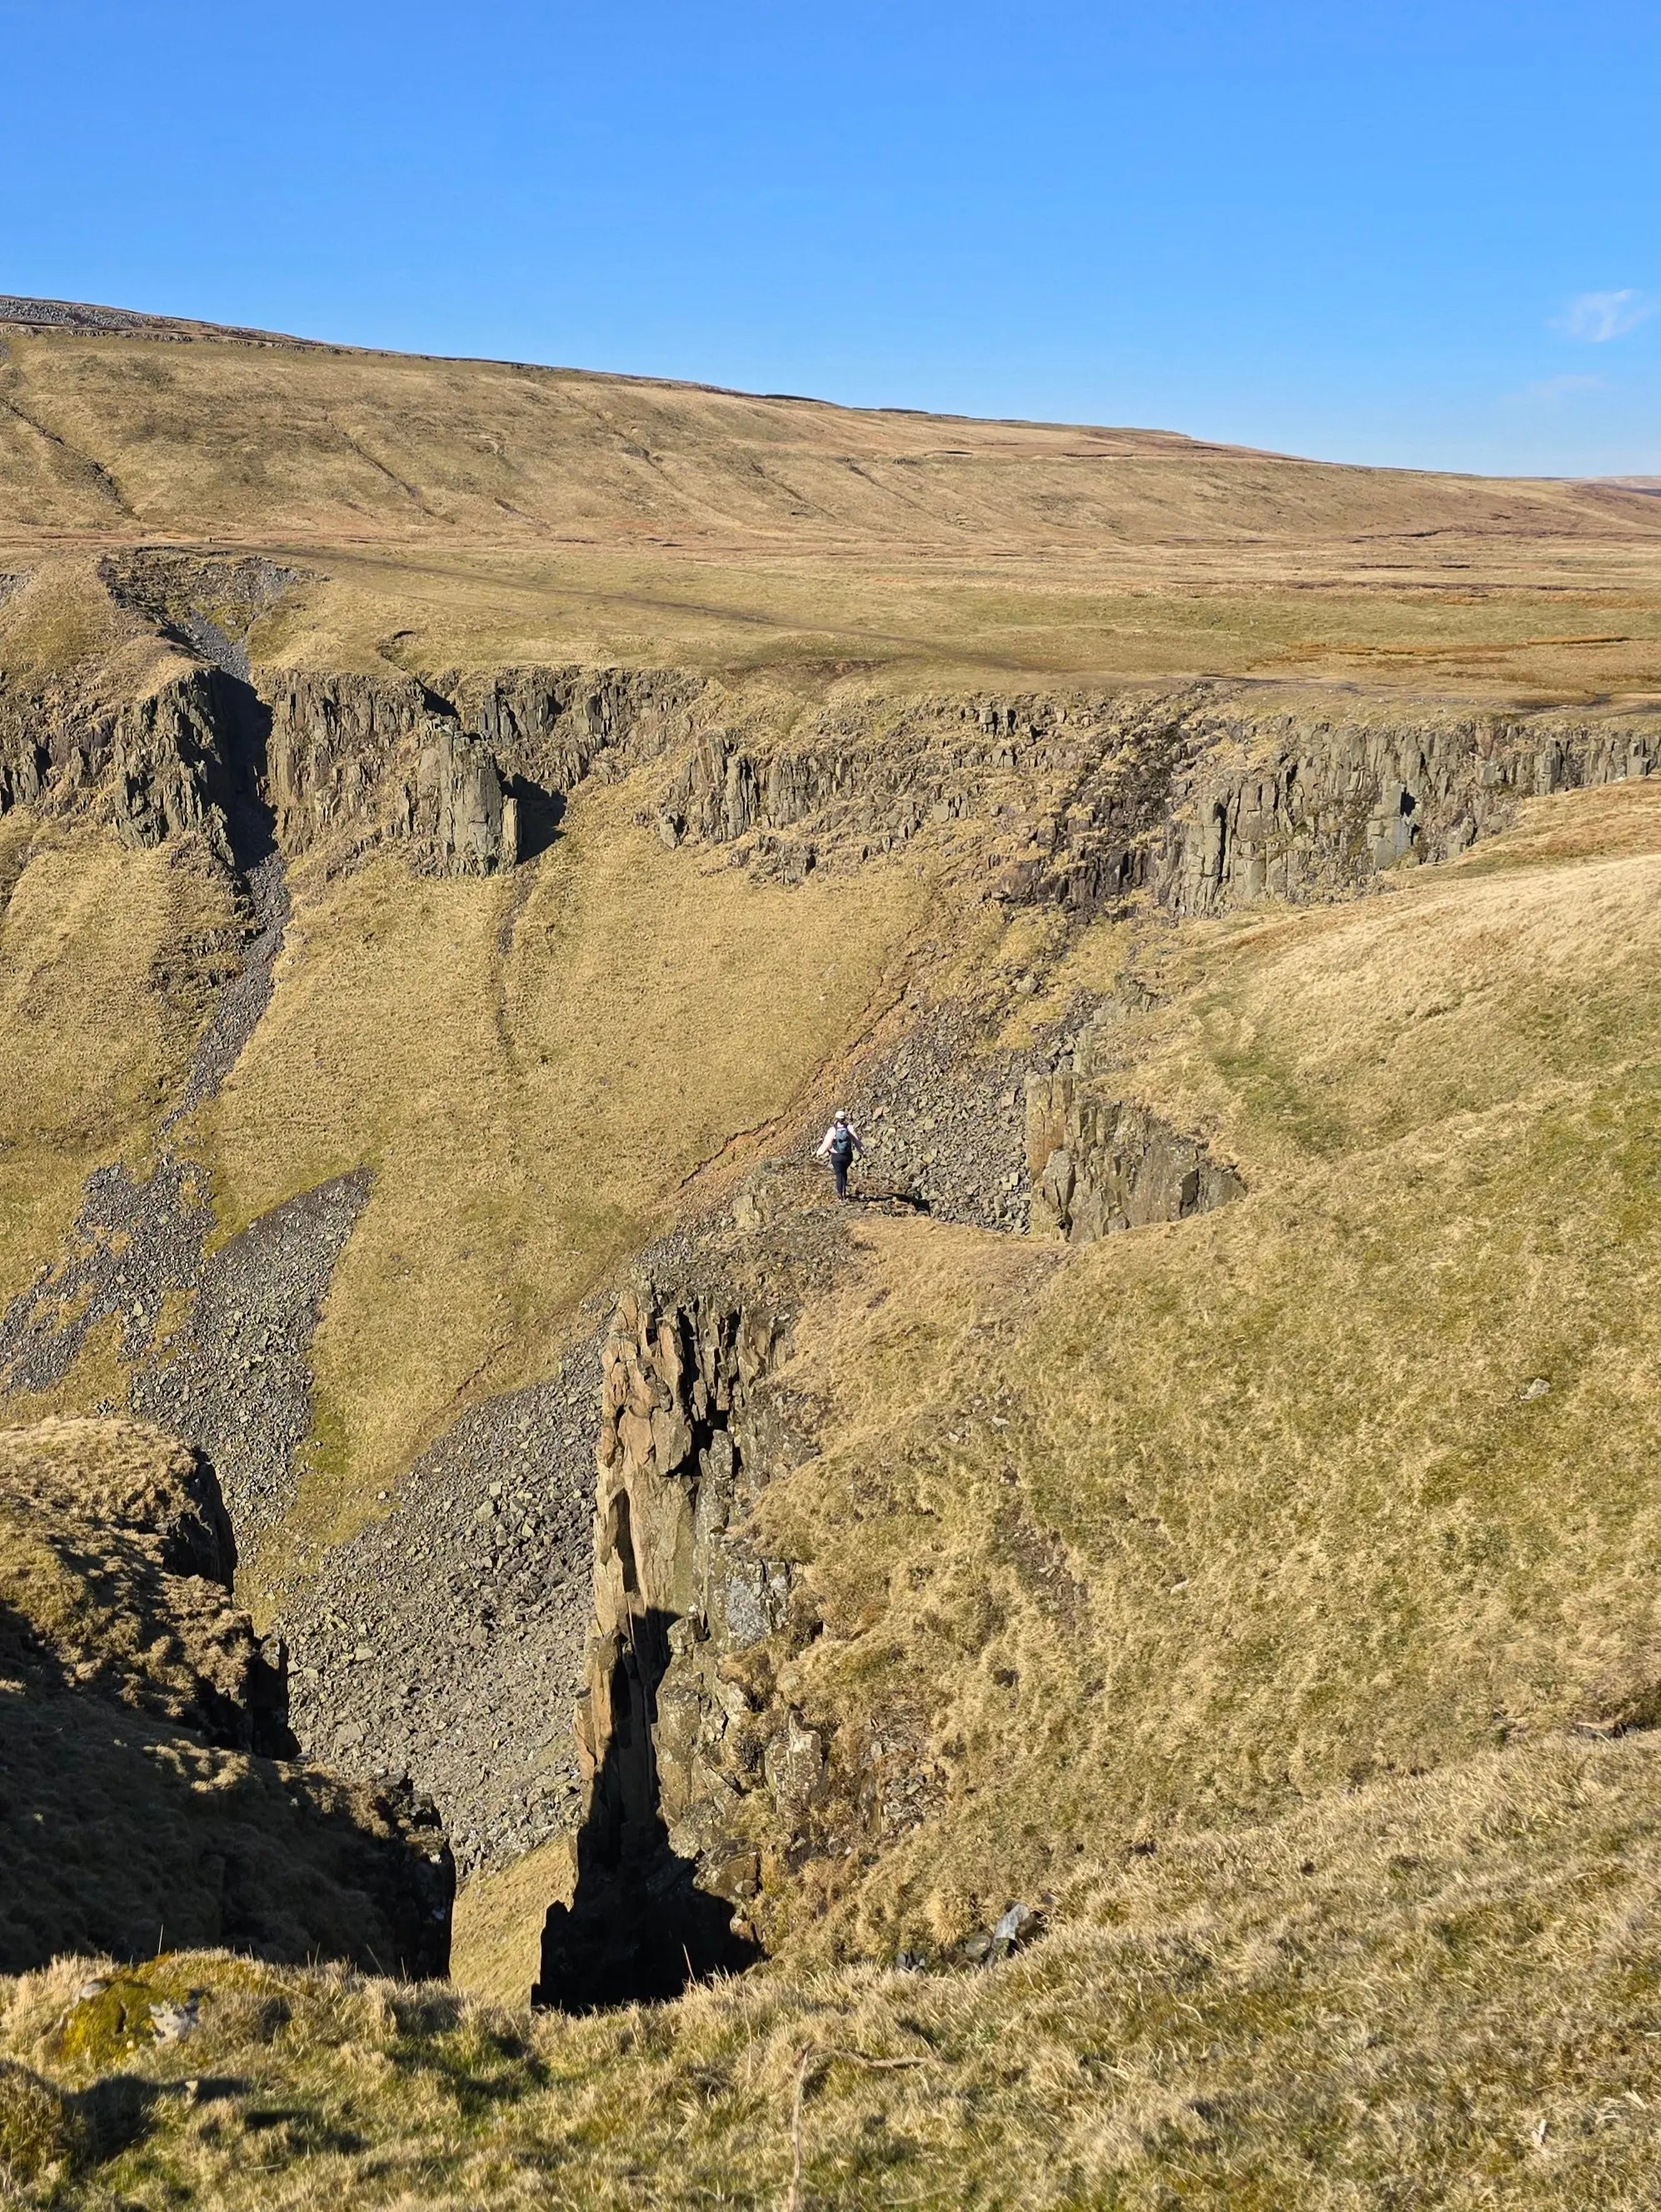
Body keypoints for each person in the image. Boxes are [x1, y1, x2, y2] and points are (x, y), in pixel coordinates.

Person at [815, 1110, 864, 1200]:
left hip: (837, 1156)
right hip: (847, 1156)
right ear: (844, 1118)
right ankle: (844, 1193)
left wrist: (819, 1153)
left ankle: (840, 1195)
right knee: (844, 1172)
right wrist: (862, 1151)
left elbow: (826, 1143)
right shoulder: (849, 1128)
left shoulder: (833, 1130)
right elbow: (856, 1141)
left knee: (839, 1175)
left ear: (836, 1118)